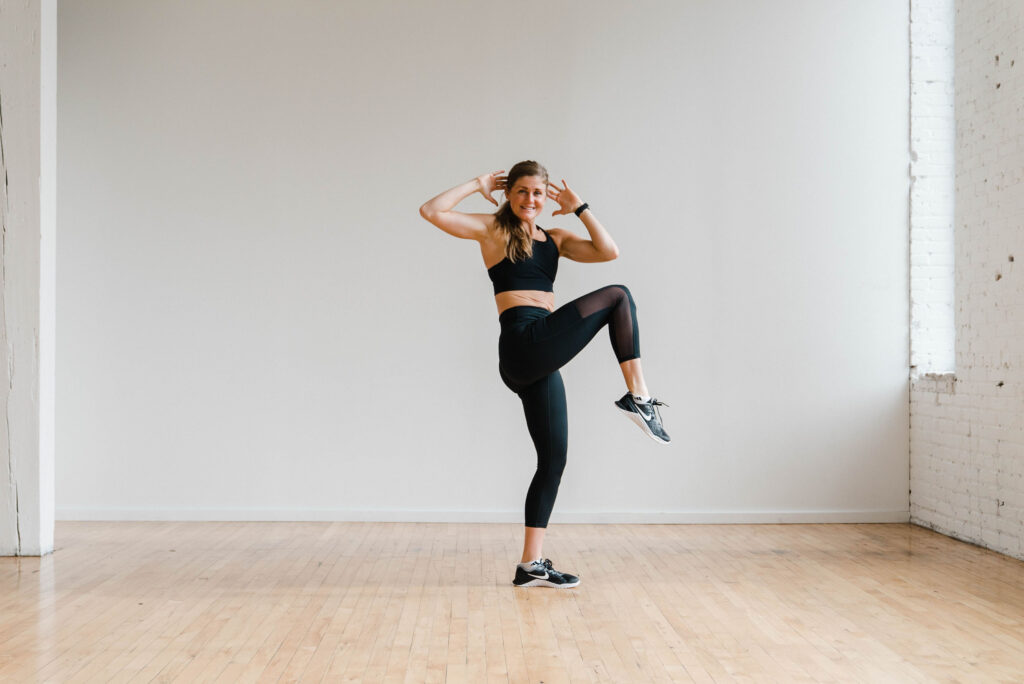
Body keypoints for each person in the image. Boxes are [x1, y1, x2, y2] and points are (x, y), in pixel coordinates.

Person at [419, 160, 669, 588]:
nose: (529, 200)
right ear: (507, 194)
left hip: (538, 357)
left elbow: (609, 251)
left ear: (545, 196)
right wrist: (476, 183)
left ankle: (530, 564)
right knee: (618, 296)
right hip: (522, 340)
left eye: (537, 193)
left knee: (554, 460)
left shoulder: (556, 239)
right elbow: (432, 211)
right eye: (520, 192)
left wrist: (580, 208)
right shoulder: (493, 231)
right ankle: (639, 397)